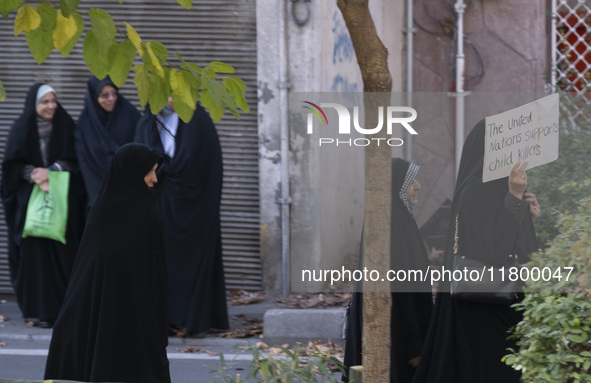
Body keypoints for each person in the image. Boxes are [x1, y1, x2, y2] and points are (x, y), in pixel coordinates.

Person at [412, 119, 540, 383]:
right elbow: (493, 249)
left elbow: (511, 243)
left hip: (502, 301)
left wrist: (528, 219)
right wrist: (514, 199)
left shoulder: (499, 187)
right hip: (485, 305)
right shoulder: (478, 188)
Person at [44, 143, 170, 383]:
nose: (154, 179)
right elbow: (88, 271)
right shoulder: (132, 212)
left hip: (130, 311)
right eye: (149, 172)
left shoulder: (114, 211)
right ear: (131, 174)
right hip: (121, 313)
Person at [134, 98, 229, 336]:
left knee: (191, 263)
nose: (169, 99)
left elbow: (206, 166)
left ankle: (192, 319)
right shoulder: (147, 122)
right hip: (158, 206)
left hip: (193, 209)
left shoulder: (197, 119)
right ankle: (165, 320)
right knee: (160, 261)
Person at [1, 83, 85, 328]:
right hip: (30, 204)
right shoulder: (21, 128)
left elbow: (77, 159)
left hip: (61, 203)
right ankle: (37, 311)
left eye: (53, 101)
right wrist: (32, 173)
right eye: (44, 102)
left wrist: (52, 170)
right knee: (34, 254)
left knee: (63, 254)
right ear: (34, 105)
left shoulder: (66, 126)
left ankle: (61, 309)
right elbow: (10, 167)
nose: (50, 106)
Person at [342, 158, 434, 382]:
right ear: (395, 186)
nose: (418, 186)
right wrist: (415, 346)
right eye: (410, 181)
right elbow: (402, 288)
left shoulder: (395, 219)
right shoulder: (391, 225)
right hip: (397, 333)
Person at [74, 75, 140, 209]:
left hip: (129, 189)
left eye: (114, 93)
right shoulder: (84, 126)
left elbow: (141, 150)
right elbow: (85, 165)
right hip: (98, 194)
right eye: (104, 95)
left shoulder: (130, 115)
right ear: (94, 97)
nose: (111, 99)